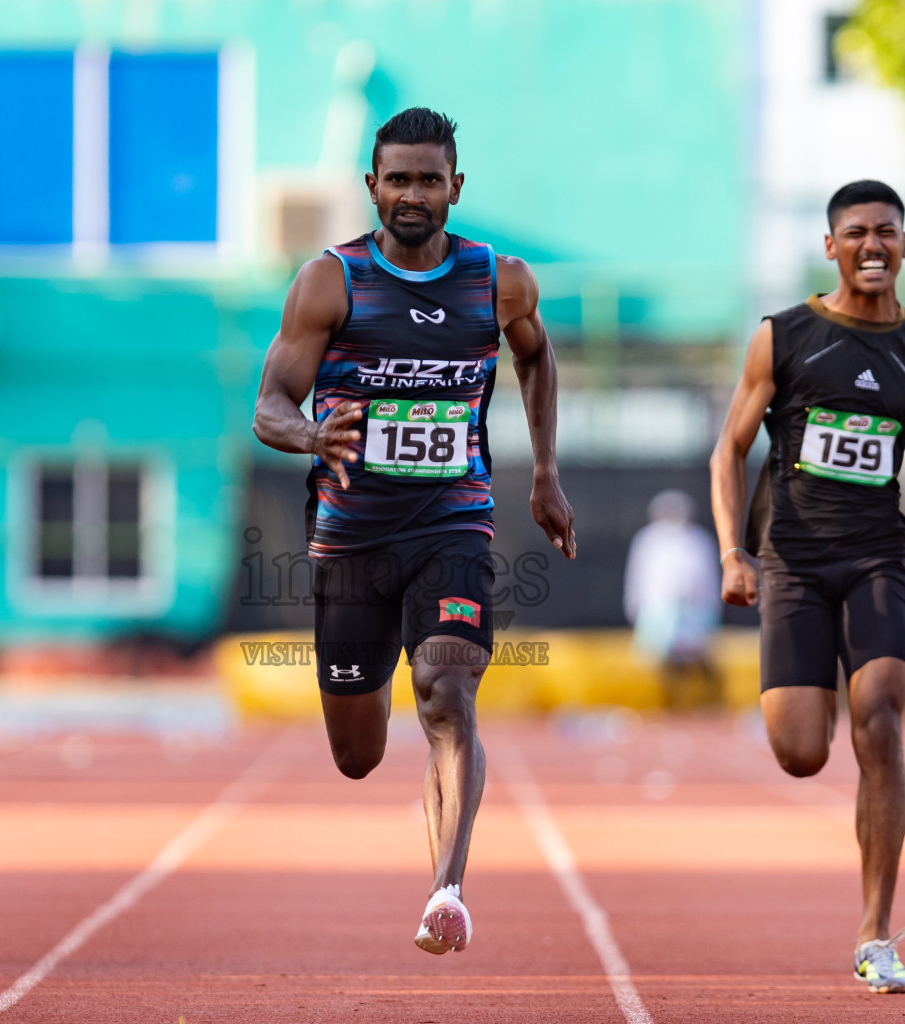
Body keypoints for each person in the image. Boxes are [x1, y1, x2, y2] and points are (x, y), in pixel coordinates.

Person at [253, 108, 575, 954]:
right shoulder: (332, 282)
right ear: (372, 186)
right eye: (397, 179)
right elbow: (269, 404)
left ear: (455, 188)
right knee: (356, 753)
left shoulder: (497, 281)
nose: (412, 195)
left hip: (453, 524)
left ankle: (448, 889)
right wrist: (310, 436)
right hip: (352, 540)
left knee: (447, 692)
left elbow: (536, 356)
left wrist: (545, 471)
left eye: (429, 179)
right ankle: (425, 766)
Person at [709, 180, 905, 993]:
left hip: (877, 558)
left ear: (904, 245)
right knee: (799, 752)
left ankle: (875, 933)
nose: (872, 246)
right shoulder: (784, 337)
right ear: (831, 247)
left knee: (881, 718)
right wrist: (731, 553)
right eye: (855, 233)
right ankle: (811, 681)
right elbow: (728, 452)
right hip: (791, 559)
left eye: (886, 232)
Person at [622, 490, 721, 705]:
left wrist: (712, 607)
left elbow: (709, 575)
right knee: (660, 659)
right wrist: (635, 605)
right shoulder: (647, 539)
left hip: (696, 609)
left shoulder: (700, 539)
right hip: (658, 608)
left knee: (699, 656)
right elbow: (637, 575)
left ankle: (709, 700)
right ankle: (666, 702)